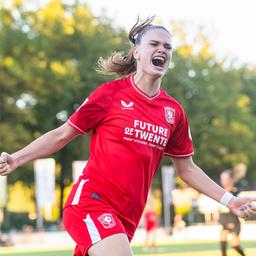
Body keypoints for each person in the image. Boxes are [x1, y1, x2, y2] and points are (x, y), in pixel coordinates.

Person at [0, 16, 256, 256]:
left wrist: (229, 200)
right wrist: (17, 158)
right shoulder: (109, 95)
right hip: (90, 203)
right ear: (137, 52)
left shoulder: (174, 112)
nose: (162, 50)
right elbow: (61, 135)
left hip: (127, 218)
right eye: (154, 44)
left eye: (168, 47)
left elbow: (187, 169)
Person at [219, 170, 247, 256]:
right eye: (222, 179)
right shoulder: (219, 192)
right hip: (224, 219)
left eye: (225, 179)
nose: (223, 181)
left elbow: (240, 207)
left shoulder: (236, 192)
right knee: (222, 242)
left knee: (235, 245)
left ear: (231, 180)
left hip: (233, 219)